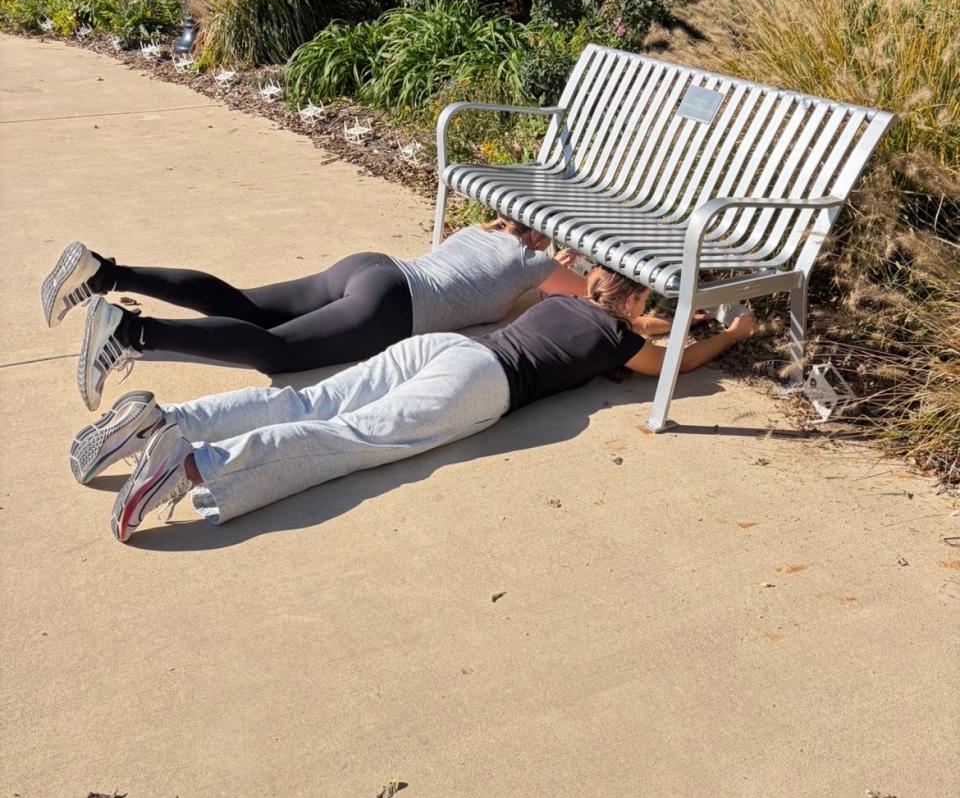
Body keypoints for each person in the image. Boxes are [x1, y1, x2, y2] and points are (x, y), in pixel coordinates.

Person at [67, 266, 756, 542]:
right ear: (637, 307)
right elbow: (676, 364)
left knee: (308, 400)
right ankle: (191, 467)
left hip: (445, 348)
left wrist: (673, 317)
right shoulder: (617, 340)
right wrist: (729, 335)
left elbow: (633, 317)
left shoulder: (566, 302)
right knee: (349, 438)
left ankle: (162, 422)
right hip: (483, 384)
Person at [40, 221, 587, 413]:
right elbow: (590, 298)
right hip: (393, 307)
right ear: (543, 233)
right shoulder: (535, 264)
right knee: (276, 351)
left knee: (245, 306)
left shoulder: (476, 232)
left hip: (372, 268)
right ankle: (131, 332)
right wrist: (569, 265)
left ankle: (105, 274)